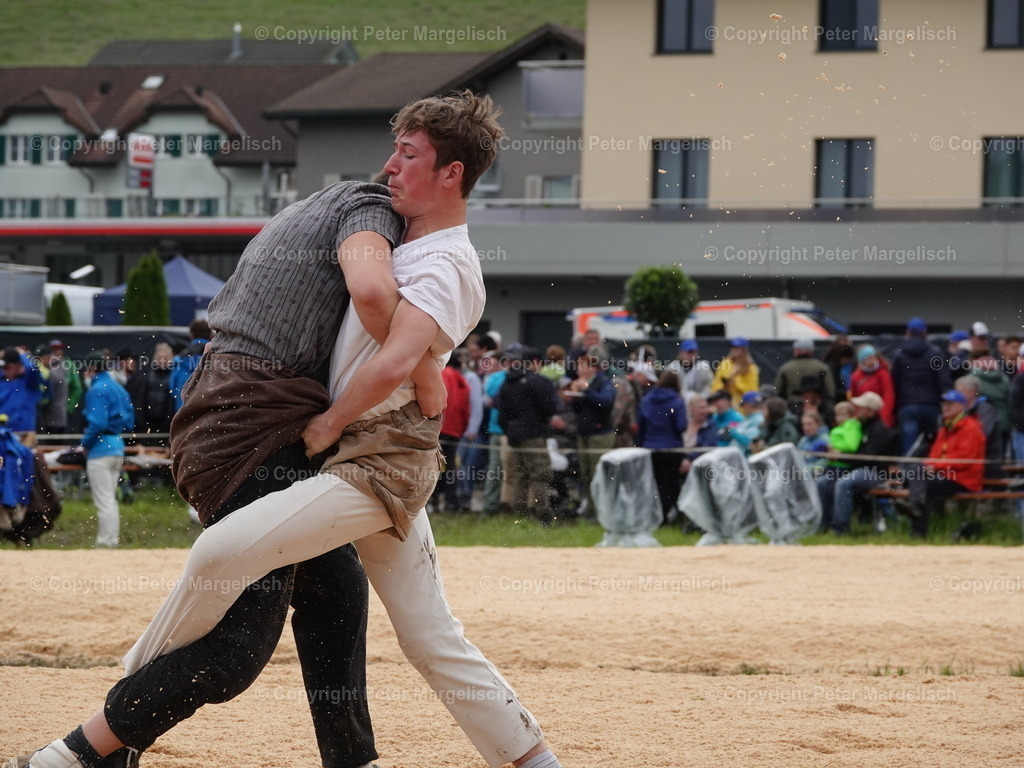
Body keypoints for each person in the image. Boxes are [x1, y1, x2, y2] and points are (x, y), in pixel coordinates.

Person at [8, 91, 562, 768]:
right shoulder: (404, 239)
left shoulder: (448, 261)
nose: (390, 166)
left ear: (452, 173)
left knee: (220, 554)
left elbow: (393, 357)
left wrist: (330, 421)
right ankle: (531, 761)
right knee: (426, 635)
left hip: (377, 457)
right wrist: (409, 378)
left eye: (408, 155)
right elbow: (393, 342)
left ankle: (95, 739)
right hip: (365, 454)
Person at [896, 390, 985, 538]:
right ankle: (916, 522)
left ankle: (917, 530)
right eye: (944, 404)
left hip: (963, 479)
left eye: (950, 404)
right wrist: (930, 466)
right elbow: (934, 455)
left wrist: (935, 466)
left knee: (920, 483)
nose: (945, 407)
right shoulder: (946, 428)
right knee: (919, 474)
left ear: (961, 407)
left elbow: (964, 459)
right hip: (946, 475)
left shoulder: (971, 427)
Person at [814, 392, 898, 535]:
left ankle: (840, 529)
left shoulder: (879, 430)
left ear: (871, 411)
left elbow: (867, 458)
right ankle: (823, 526)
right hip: (856, 470)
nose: (857, 409)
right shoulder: (861, 426)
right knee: (822, 483)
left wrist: (840, 456)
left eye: (861, 407)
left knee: (844, 484)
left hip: (875, 473)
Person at [496, 346, 560, 524]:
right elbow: (550, 407)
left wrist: (509, 429)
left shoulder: (507, 382)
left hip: (513, 435)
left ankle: (519, 513)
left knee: (520, 473)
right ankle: (542, 513)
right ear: (536, 362)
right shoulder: (538, 381)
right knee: (541, 473)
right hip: (534, 434)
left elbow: (501, 412)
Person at [78, 351, 134, 548]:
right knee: (110, 498)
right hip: (117, 445)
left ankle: (105, 542)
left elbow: (98, 424)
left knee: (104, 500)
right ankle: (111, 540)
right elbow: (129, 421)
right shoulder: (119, 388)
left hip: (100, 448)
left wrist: (84, 445)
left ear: (92, 368)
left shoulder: (96, 390)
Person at [562, 351, 615, 518]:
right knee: (585, 473)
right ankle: (590, 508)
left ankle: (601, 510)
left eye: (582, 367)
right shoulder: (578, 383)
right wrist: (574, 396)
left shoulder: (603, 382)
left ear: (593, 368)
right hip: (583, 432)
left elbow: (605, 402)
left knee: (597, 473)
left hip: (600, 434)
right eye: (578, 367)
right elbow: (578, 409)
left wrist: (587, 390)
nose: (579, 370)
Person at [891, 316, 949, 455]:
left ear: (908, 332)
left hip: (907, 405)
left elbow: (894, 381)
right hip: (931, 405)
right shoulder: (935, 352)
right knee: (933, 445)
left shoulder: (899, 354)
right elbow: (943, 380)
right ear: (925, 332)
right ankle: (930, 469)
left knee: (910, 448)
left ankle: (909, 469)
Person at [636, 370, 687, 524]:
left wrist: (640, 445)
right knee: (671, 483)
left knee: (655, 483)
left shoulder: (646, 399)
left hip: (650, 448)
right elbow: (681, 426)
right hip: (671, 448)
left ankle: (657, 515)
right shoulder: (676, 401)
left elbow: (641, 426)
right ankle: (668, 515)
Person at [774, 338, 835, 414]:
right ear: (811, 351)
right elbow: (830, 390)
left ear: (796, 351)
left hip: (792, 407)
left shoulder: (785, 368)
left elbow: (777, 391)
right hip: (817, 407)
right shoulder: (822, 368)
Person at [0, 346, 46, 446]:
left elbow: (32, 368)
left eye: (7, 367)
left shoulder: (29, 382)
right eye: (2, 368)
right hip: (2, 433)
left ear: (18, 365)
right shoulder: (2, 381)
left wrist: (22, 354)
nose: (4, 371)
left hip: (24, 433)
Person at [848, 345, 895, 427]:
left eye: (873, 357)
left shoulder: (883, 374)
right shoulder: (856, 376)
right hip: (863, 417)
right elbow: (854, 398)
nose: (872, 361)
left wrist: (884, 418)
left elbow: (889, 396)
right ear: (862, 361)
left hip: (879, 416)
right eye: (868, 358)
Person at [711, 337, 760, 404]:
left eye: (738, 348)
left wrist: (736, 380)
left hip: (742, 403)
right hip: (725, 402)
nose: (734, 350)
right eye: (733, 347)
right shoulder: (725, 363)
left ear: (744, 350)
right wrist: (725, 383)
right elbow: (715, 386)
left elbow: (753, 391)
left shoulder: (751, 367)